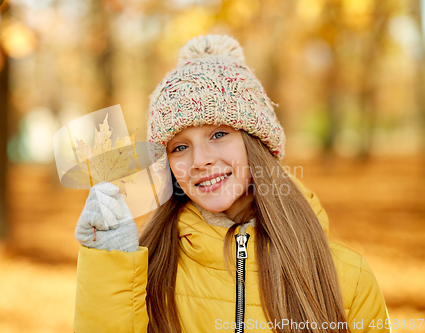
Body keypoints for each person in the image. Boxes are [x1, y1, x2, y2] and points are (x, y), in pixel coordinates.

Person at [73, 35, 390, 333]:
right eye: (179, 147)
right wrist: (110, 263)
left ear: (256, 143)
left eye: (219, 134)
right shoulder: (150, 266)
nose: (200, 160)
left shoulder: (347, 276)